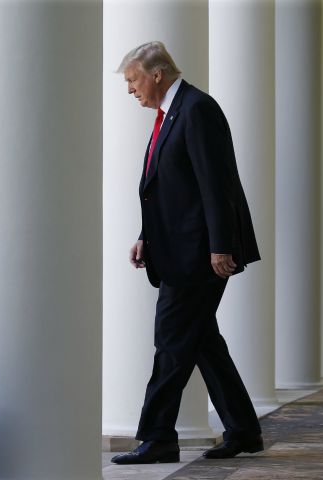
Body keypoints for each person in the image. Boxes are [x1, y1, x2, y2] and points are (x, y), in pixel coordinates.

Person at [110, 41, 263, 465]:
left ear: (156, 74)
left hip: (199, 253)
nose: (129, 90)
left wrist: (221, 246)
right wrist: (147, 236)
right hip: (179, 248)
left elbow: (216, 184)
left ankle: (158, 436)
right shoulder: (170, 114)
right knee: (201, 343)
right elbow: (170, 188)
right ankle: (244, 431)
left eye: (132, 80)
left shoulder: (197, 109)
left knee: (171, 340)